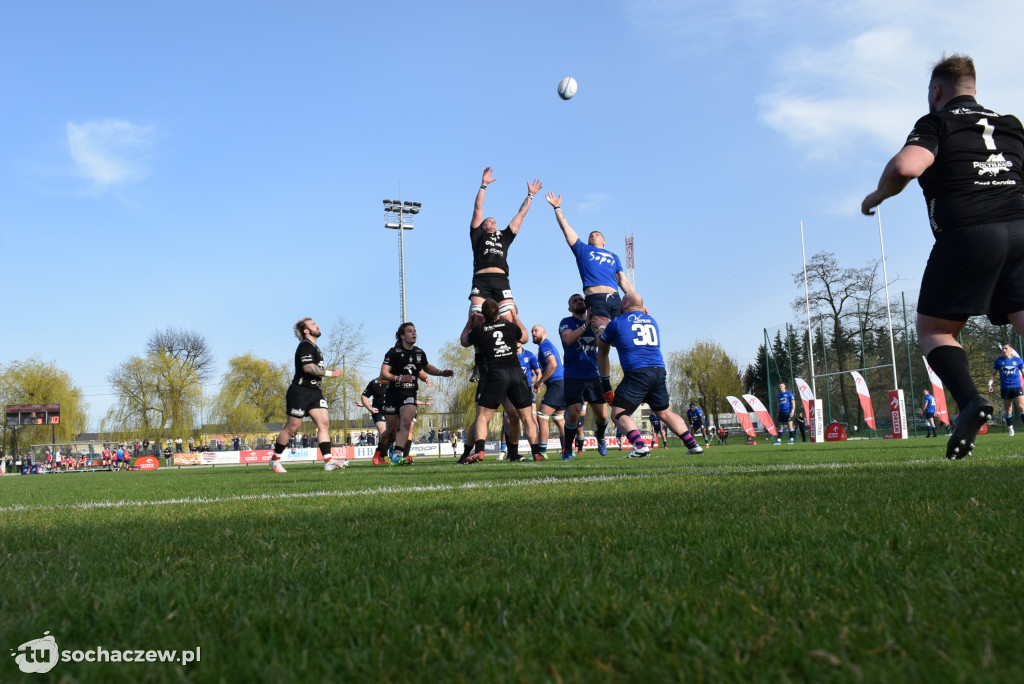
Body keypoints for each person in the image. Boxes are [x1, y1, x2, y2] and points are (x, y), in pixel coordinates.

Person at [862, 54, 1024, 459]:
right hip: (1022, 230)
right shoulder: (1011, 125)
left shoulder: (936, 122)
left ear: (936, 91)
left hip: (970, 234)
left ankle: (970, 401)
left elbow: (907, 165)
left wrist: (878, 195)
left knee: (935, 330)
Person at [596, 292, 704, 457]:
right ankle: (693, 445)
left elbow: (602, 342)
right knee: (664, 413)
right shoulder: (652, 321)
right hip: (658, 371)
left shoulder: (618, 322)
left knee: (618, 413)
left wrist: (601, 327)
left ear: (625, 305)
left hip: (637, 372)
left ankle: (639, 446)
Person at [468, 168, 543, 379]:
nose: (491, 221)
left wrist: (530, 195)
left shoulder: (504, 237)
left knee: (509, 317)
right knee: (478, 318)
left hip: (501, 280)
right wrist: (483, 185)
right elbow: (478, 207)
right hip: (481, 280)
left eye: (493, 220)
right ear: (481, 227)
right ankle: (479, 362)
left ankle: (511, 357)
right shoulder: (477, 236)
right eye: (487, 221)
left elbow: (521, 215)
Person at [459, 299, 544, 464]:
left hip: (496, 375)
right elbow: (525, 337)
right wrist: (514, 316)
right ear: (499, 312)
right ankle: (536, 453)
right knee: (527, 418)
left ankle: (481, 451)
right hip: (516, 373)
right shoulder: (510, 326)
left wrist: (470, 320)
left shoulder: (479, 330)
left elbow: (463, 341)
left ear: (482, 314)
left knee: (482, 418)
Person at [544, 192, 636, 327]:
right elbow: (566, 228)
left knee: (621, 335)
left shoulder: (613, 256)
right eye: (591, 235)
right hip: (596, 298)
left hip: (615, 298)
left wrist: (637, 302)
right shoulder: (582, 249)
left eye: (597, 234)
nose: (594, 235)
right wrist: (557, 208)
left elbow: (623, 281)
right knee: (601, 334)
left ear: (604, 241)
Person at [269, 317, 345, 474]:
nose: (317, 326)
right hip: (300, 391)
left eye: (316, 324)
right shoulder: (305, 345)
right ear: (306, 330)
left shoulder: (315, 347)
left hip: (315, 392)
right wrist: (331, 373)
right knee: (292, 428)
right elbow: (308, 368)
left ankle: (328, 461)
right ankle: (274, 460)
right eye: (313, 325)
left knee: (324, 424)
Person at [379, 322, 453, 465]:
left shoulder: (419, 353)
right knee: (392, 432)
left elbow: (427, 367)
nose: (414, 333)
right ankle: (380, 448)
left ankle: (396, 454)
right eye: (409, 331)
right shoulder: (393, 352)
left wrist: (441, 373)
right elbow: (384, 373)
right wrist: (399, 378)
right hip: (393, 395)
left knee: (407, 422)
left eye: (415, 331)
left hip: (409, 394)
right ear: (402, 335)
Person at [559, 293, 611, 459]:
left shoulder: (595, 321)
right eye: (575, 301)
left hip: (593, 375)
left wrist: (603, 325)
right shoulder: (566, 322)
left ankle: (600, 436)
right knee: (573, 413)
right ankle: (568, 449)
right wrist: (584, 325)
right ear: (570, 308)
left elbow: (606, 340)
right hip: (573, 375)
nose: (579, 302)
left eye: (581, 299)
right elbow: (568, 340)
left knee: (603, 415)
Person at [988, 343, 1024, 436]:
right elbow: (993, 373)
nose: (1004, 350)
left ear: (1010, 350)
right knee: (1008, 410)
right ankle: (1011, 429)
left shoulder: (1018, 360)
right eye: (1003, 349)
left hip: (1017, 386)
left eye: (1006, 348)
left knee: (1021, 407)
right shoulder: (999, 361)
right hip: (1005, 388)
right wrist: (990, 384)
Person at [360, 378, 390, 464]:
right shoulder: (374, 383)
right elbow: (364, 396)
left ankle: (379, 452)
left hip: (391, 411)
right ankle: (384, 456)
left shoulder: (395, 382)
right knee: (383, 431)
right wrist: (369, 408)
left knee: (391, 434)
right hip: (378, 411)